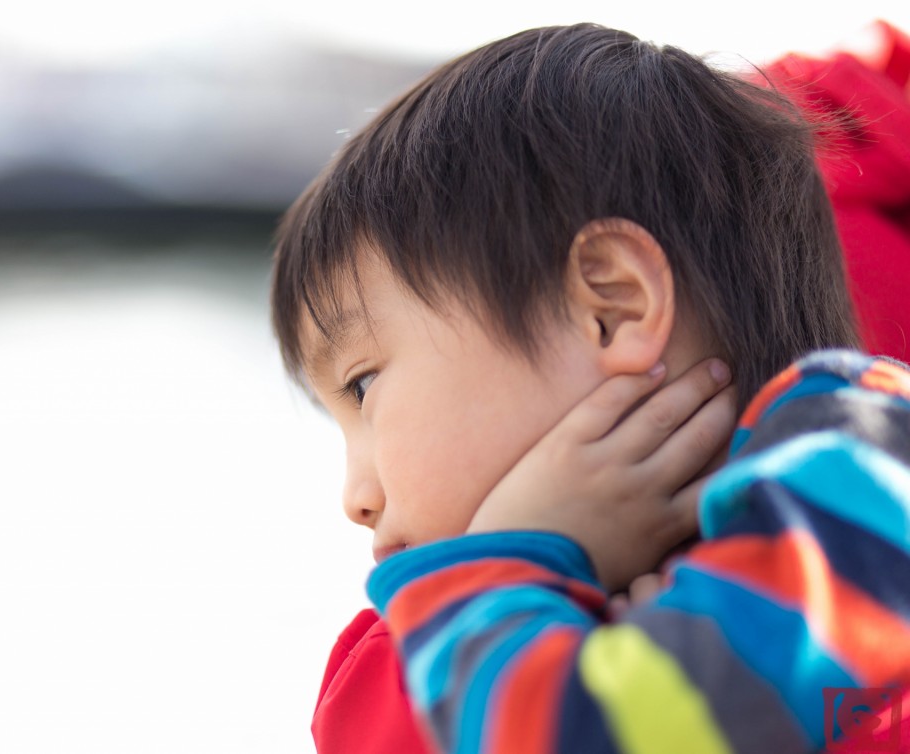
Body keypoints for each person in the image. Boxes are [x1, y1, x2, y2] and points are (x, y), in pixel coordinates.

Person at [270, 23, 909, 753]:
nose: (355, 499)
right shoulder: (391, 664)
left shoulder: (863, 483)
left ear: (613, 307)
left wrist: (503, 568)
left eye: (362, 387)